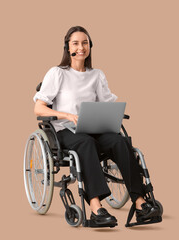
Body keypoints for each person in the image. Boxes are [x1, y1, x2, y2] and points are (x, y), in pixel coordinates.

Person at [33, 26, 159, 226]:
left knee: (119, 141)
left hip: (93, 128)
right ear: (67, 47)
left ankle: (140, 203)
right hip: (65, 131)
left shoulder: (96, 75)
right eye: (75, 43)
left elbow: (107, 103)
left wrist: (113, 114)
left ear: (90, 46)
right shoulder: (57, 73)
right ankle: (95, 207)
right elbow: (39, 109)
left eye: (85, 43)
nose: (81, 47)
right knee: (85, 143)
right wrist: (66, 115)